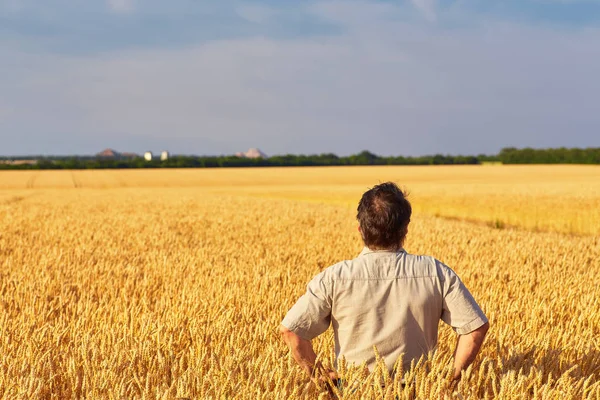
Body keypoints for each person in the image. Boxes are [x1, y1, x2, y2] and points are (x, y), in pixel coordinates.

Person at [279, 182, 489, 387]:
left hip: (355, 391)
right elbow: (475, 327)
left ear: (360, 229)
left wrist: (318, 375)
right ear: (405, 229)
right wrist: (451, 377)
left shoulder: (335, 277)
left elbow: (291, 331)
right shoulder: (435, 272)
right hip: (418, 391)